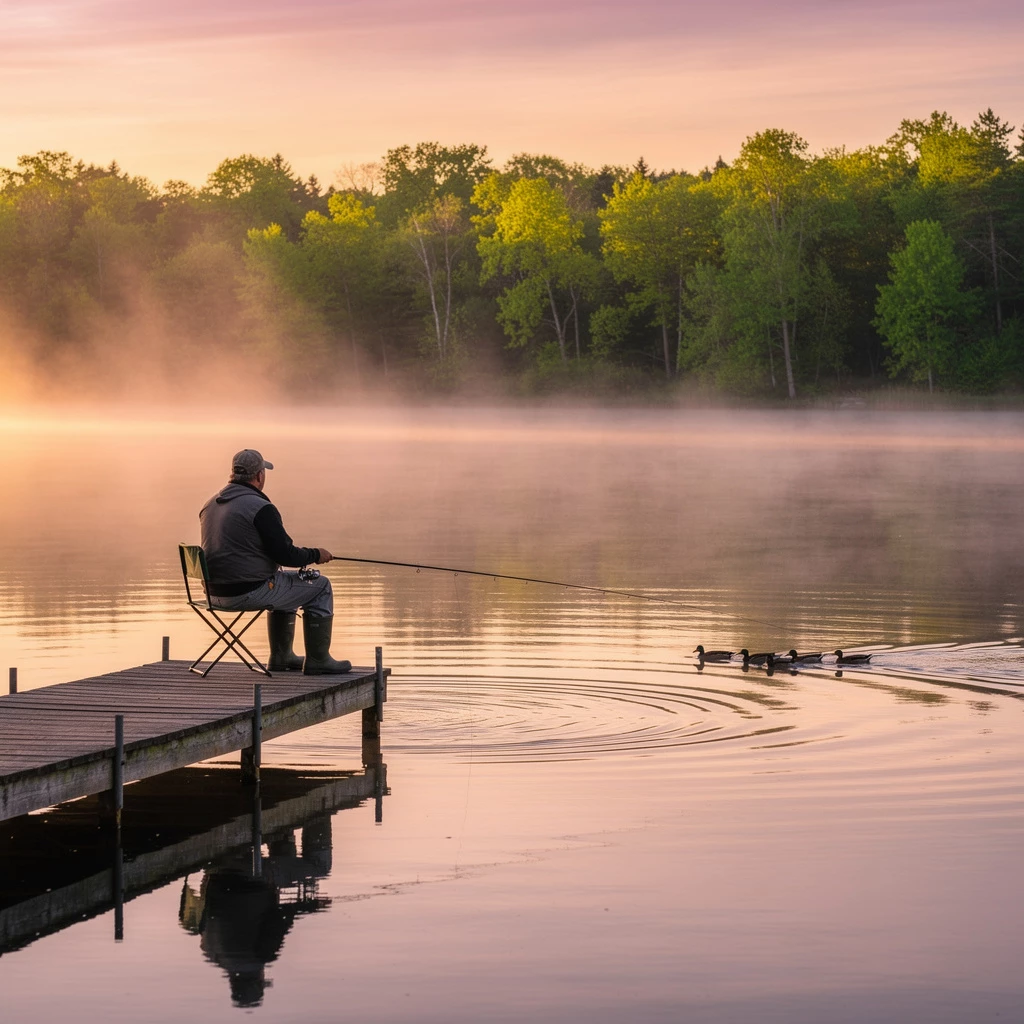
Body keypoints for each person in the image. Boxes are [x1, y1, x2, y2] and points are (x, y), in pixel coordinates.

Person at [199, 449, 350, 674]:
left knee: (284, 582)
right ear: (259, 476)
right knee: (321, 586)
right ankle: (318, 660)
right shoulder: (260, 508)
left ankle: (281, 657)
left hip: (212, 594)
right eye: (264, 472)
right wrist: (316, 554)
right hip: (247, 591)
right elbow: (285, 555)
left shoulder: (210, 504)